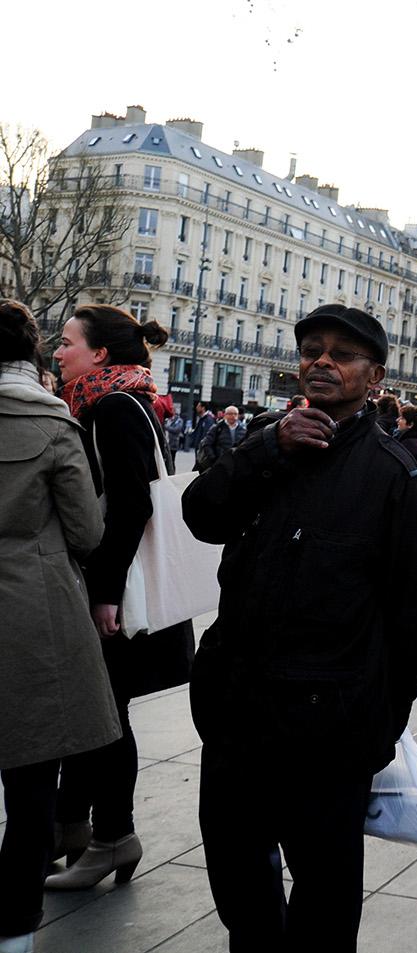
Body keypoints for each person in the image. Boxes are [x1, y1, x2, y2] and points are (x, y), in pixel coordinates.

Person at [182, 303, 417, 952]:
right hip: (237, 710)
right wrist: (268, 449)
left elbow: (412, 613)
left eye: (342, 354)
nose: (322, 361)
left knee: (324, 898)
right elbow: (202, 513)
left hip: (331, 726)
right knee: (239, 883)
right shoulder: (266, 438)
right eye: (312, 349)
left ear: (373, 375)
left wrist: (384, 722)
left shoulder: (393, 471)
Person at [46, 306, 194, 891]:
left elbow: (132, 505)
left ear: (100, 354)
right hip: (116, 583)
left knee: (105, 716)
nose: (58, 354)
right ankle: (71, 826)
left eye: (67, 343)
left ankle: (112, 836)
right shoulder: (121, 400)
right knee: (97, 710)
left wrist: (105, 593)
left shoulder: (112, 406)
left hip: (118, 592)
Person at [0, 301, 120, 953]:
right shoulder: (50, 418)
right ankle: (14, 932)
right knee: (30, 794)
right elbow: (87, 530)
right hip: (29, 614)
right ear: (33, 355)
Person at [194, 404, 239, 472]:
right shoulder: (217, 428)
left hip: (235, 464)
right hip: (219, 463)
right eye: (230, 414)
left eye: (235, 414)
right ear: (225, 415)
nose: (233, 416)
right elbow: (207, 443)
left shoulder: (243, 430)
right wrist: (213, 459)